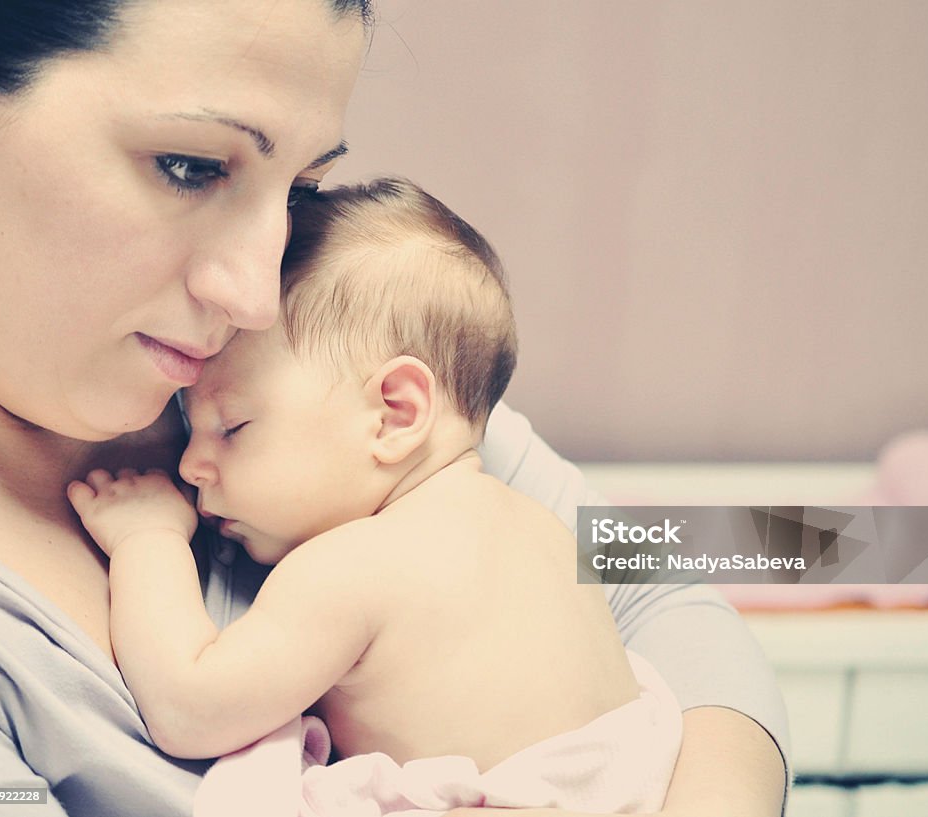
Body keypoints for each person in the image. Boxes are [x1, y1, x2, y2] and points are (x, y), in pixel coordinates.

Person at [0, 2, 788, 816]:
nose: (255, 296)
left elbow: (665, 586)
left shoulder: (320, 392)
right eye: (189, 165)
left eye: (301, 190)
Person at [67, 177, 685, 816]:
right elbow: (756, 551)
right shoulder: (548, 527)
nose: (193, 466)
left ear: (394, 413)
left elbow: (191, 706)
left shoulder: (352, 568)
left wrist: (148, 541)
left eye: (233, 427)